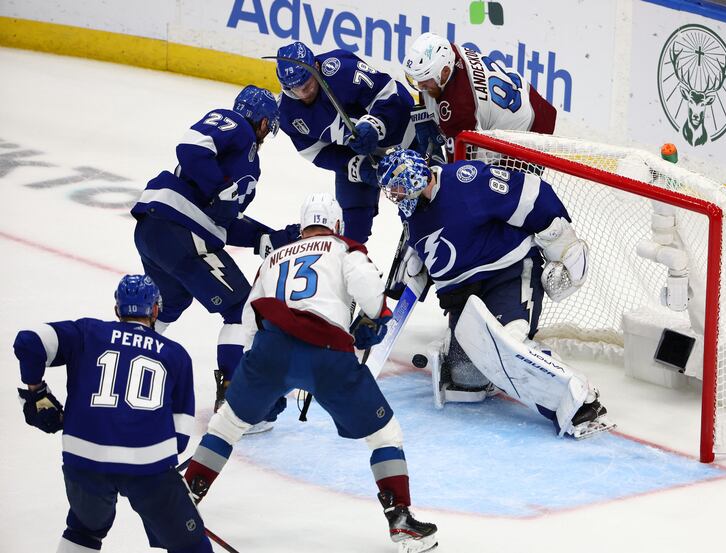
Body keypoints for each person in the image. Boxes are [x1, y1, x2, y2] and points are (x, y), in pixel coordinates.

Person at [182, 193, 438, 553]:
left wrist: (260, 369)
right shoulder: (344, 248)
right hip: (328, 353)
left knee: (226, 426)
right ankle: (400, 520)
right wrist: (373, 320)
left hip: (271, 350)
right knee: (385, 435)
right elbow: (370, 294)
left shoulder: (272, 258)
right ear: (336, 225)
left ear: (302, 228)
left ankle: (187, 496)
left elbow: (249, 319)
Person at [376, 149, 609, 438]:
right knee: (465, 379)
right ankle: (494, 371)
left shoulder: (466, 180)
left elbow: (531, 193)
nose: (395, 196)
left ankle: (579, 398)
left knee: (509, 343)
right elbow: (425, 241)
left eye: (399, 187)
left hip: (507, 271)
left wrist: (563, 244)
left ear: (414, 178)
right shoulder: (410, 209)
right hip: (464, 295)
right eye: (391, 190)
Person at [131, 85, 297, 426]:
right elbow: (190, 148)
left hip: (157, 231)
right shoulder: (234, 123)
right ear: (264, 122)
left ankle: (126, 367)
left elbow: (222, 220)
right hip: (179, 229)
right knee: (241, 307)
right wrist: (217, 187)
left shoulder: (244, 163)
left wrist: (268, 236)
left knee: (170, 303)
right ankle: (236, 406)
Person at [13, 274, 213, 553]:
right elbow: (180, 435)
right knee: (190, 545)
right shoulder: (175, 354)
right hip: (149, 468)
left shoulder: (87, 333)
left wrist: (36, 392)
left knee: (83, 529)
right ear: (155, 310)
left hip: (83, 461)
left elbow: (28, 341)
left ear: (117, 310)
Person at [274, 41, 419, 244]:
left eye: (306, 84)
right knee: (349, 232)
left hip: (402, 141)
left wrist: (374, 126)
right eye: (294, 89)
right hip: (356, 155)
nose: (303, 93)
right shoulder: (287, 112)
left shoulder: (342, 69)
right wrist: (356, 167)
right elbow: (315, 152)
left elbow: (393, 95)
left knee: (419, 212)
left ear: (316, 67)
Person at [403, 32, 558, 161]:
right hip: (523, 101)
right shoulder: (448, 52)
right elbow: (428, 95)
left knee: (489, 190)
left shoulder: (459, 108)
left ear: (444, 72)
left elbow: (460, 171)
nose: (420, 87)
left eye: (425, 80)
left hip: (529, 134)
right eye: (417, 80)